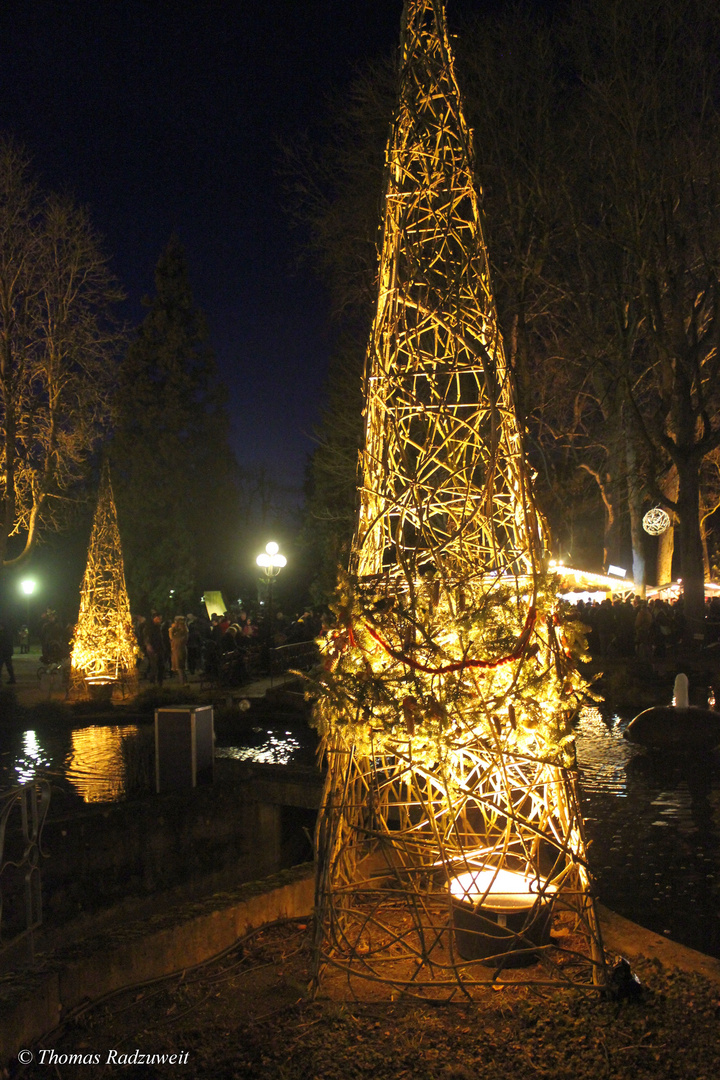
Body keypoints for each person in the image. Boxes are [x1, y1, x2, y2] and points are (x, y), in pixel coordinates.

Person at [169, 615, 189, 684]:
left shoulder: (182, 632)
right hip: (177, 649)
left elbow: (172, 637)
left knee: (180, 667)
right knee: (180, 668)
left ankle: (183, 682)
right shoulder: (182, 631)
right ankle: (184, 682)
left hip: (179, 650)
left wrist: (172, 629)